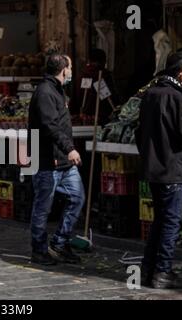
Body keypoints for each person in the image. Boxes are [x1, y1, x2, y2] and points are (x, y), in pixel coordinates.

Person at [135, 52, 182, 289]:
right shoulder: (176, 97)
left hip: (154, 169)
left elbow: (139, 133)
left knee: (160, 222)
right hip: (171, 170)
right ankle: (163, 272)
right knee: (170, 223)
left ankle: (149, 269)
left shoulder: (150, 94)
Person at [28, 53, 86, 266]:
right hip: (46, 160)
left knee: (77, 197)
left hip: (63, 161)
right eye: (70, 68)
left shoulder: (57, 90)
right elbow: (49, 125)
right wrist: (70, 148)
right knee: (43, 207)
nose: (71, 72)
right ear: (64, 71)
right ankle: (39, 250)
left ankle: (60, 243)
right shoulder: (45, 92)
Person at [76, 48, 119, 125]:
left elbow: (76, 98)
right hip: (103, 120)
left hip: (84, 119)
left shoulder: (82, 75)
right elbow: (114, 99)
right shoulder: (106, 76)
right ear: (103, 61)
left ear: (89, 60)